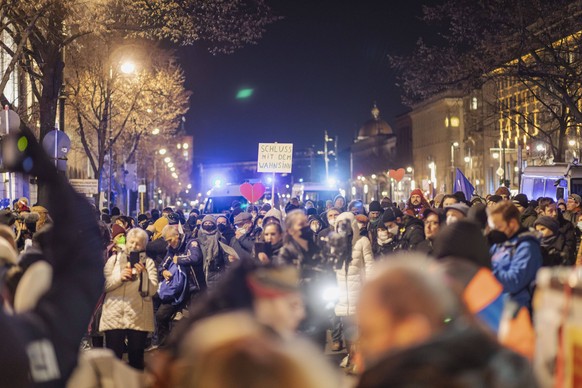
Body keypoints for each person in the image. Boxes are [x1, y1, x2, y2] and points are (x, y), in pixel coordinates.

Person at [355, 256, 536, 388]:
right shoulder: (503, 368)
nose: (362, 345)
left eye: (369, 332)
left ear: (412, 330)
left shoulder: (399, 379)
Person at [100, 228, 158, 370]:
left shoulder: (148, 263)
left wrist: (143, 274)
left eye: (138, 243)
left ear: (144, 245)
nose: (133, 246)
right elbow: (103, 285)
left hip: (138, 315)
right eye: (131, 242)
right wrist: (120, 278)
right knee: (113, 359)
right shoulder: (114, 260)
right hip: (114, 315)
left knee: (136, 358)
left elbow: (151, 290)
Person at [333, 212, 374, 368]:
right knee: (348, 329)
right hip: (342, 295)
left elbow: (370, 267)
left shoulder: (362, 242)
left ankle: (361, 359)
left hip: (359, 294)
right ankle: (351, 356)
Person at [489, 202, 542, 312]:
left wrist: (487, 269)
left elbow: (514, 281)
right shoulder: (501, 243)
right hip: (498, 307)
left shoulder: (527, 247)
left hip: (517, 311)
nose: (496, 231)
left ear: (512, 223)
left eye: (499, 227)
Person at [156, 224, 203, 348]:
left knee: (196, 320)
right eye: (167, 241)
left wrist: (179, 259)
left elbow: (195, 257)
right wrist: (163, 271)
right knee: (161, 316)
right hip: (176, 289)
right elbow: (162, 265)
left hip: (193, 288)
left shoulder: (191, 243)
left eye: (170, 240)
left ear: (177, 235)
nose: (169, 244)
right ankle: (164, 347)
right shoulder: (171, 249)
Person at [538, 198, 576, 264]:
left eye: (556, 210)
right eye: (550, 211)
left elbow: (569, 248)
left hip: (561, 267)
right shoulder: (538, 226)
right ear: (542, 212)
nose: (555, 213)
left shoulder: (566, 225)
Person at [196, 215, 228, 288]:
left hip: (217, 273)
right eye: (205, 223)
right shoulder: (197, 239)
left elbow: (225, 257)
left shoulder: (221, 239)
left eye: (210, 223)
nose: (208, 225)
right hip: (202, 273)